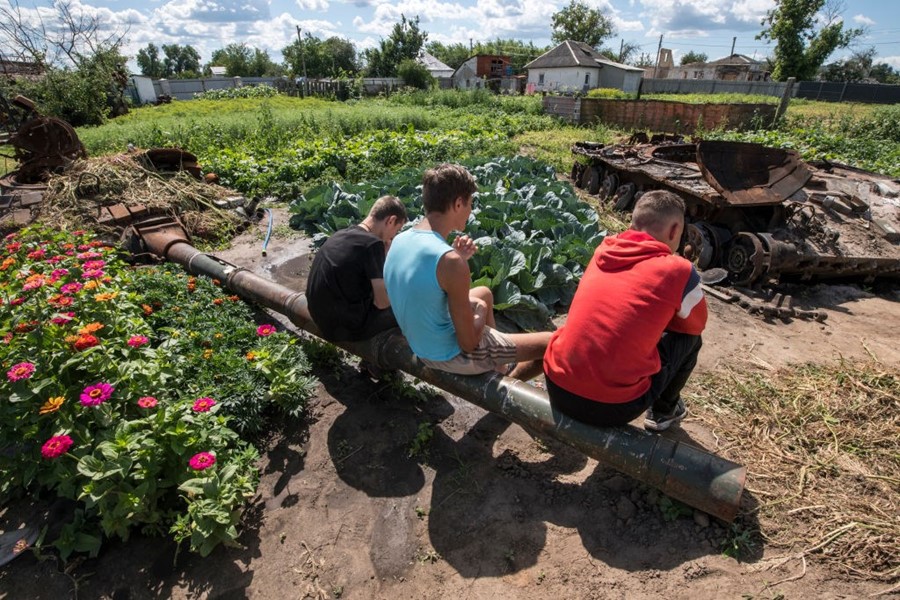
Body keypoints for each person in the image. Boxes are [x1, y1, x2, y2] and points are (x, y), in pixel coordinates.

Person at [543, 190, 708, 431]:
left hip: (557, 387)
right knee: (690, 340)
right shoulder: (678, 270)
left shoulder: (604, 249)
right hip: (610, 407)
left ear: (633, 222)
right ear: (674, 231)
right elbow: (696, 324)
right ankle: (664, 412)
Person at [384, 163, 551, 380]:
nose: (471, 210)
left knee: (484, 292)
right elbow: (468, 343)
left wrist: (458, 261)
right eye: (470, 203)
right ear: (458, 203)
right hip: (448, 356)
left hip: (419, 341)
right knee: (551, 343)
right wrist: (479, 311)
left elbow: (427, 283)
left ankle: (498, 367)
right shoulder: (450, 262)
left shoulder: (399, 239)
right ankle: (508, 388)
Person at [306, 195, 407, 342]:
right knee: (405, 310)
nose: (393, 236)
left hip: (319, 317)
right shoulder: (373, 244)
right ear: (390, 221)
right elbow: (382, 302)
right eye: (396, 230)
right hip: (343, 329)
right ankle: (383, 361)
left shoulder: (340, 234)